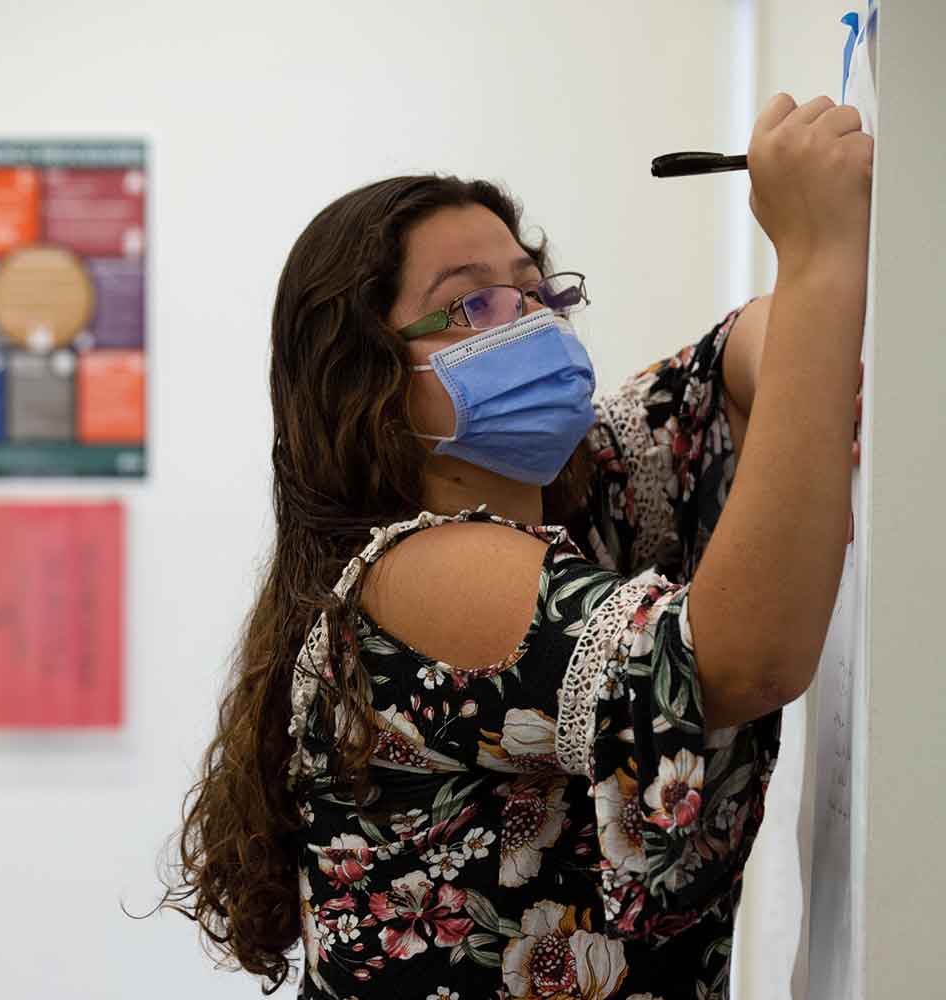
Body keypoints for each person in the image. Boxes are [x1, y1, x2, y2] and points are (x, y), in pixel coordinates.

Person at [160, 92, 871, 999]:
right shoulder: (413, 577)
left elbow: (729, 364)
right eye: (471, 307)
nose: (534, 321)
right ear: (367, 383)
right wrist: (818, 254)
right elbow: (735, 659)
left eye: (538, 290)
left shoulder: (577, 492)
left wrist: (813, 360)